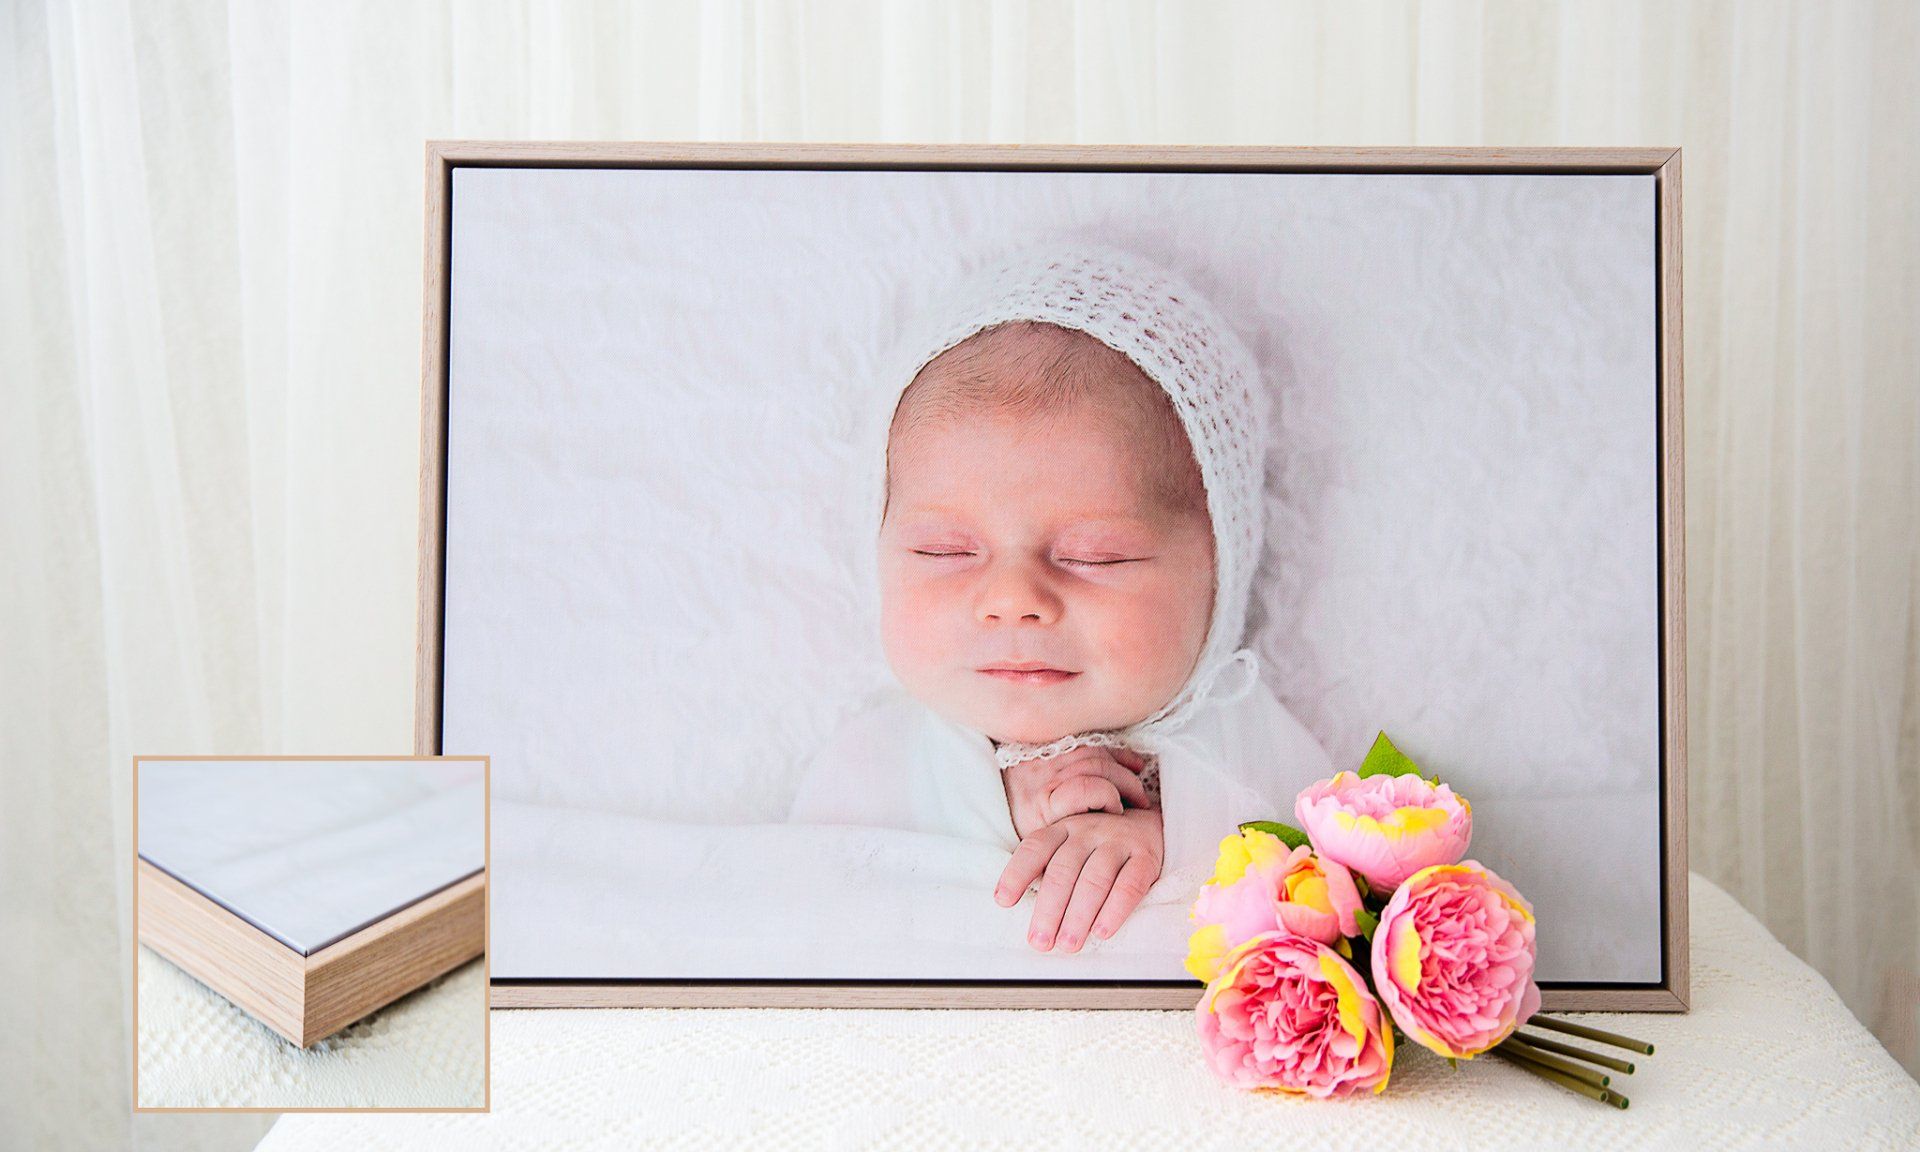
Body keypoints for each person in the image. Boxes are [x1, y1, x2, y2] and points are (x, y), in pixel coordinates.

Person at [788, 246, 1331, 956]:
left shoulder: (1247, 746)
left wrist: (1163, 845)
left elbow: (1328, 909)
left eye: (1094, 557)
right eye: (945, 552)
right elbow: (809, 932)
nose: (1014, 600)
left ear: (1220, 568)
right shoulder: (874, 763)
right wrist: (999, 809)